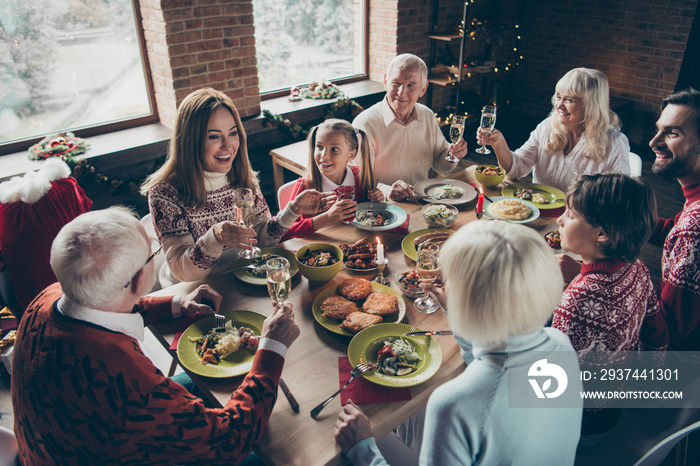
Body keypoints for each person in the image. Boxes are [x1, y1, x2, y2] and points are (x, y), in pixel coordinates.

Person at [11, 206, 300, 464]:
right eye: (152, 253)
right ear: (139, 279)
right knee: (280, 453)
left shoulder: (45, 299)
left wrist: (176, 304)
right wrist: (272, 348)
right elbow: (230, 441)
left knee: (207, 382)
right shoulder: (131, 385)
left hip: (49, 446)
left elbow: (110, 304)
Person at [335, 221, 582, 465]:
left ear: (470, 301)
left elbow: (483, 392)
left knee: (375, 435)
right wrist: (453, 309)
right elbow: (491, 367)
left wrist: (364, 450)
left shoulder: (453, 404)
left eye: (448, 277)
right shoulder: (560, 343)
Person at [141, 88, 334, 286]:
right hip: (195, 291)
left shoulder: (242, 176)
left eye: (232, 133)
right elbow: (183, 270)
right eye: (214, 136)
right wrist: (214, 237)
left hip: (241, 279)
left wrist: (293, 210)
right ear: (190, 141)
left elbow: (261, 238)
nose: (228, 145)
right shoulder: (165, 193)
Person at [553, 173, 669, 355]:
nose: (559, 220)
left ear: (602, 234)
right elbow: (657, 334)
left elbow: (556, 370)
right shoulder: (639, 268)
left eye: (570, 216)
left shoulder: (576, 300)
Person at [477, 68, 630, 191]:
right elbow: (517, 169)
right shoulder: (547, 126)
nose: (559, 105)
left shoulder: (614, 142)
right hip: (536, 211)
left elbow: (617, 195)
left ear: (592, 105)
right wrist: (499, 144)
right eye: (558, 97)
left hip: (580, 220)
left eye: (569, 100)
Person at [352, 53, 469, 201]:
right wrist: (388, 191)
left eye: (411, 85)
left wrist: (453, 156)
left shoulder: (427, 115)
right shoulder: (364, 124)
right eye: (396, 83)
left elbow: (441, 165)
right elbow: (358, 179)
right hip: (383, 208)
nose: (401, 93)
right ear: (385, 81)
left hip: (425, 200)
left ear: (423, 89)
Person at [648, 88, 700, 351]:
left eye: (672, 133)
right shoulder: (694, 202)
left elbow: (668, 330)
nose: (654, 142)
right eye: (659, 129)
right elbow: (676, 232)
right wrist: (623, 218)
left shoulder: (695, 227)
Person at [281, 119, 384, 240]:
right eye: (319, 147)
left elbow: (372, 217)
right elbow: (283, 234)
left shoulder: (361, 177)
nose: (324, 155)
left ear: (351, 155)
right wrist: (326, 218)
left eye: (334, 149)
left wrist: (378, 201)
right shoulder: (305, 186)